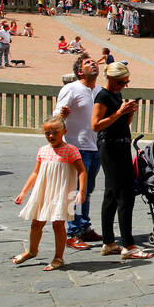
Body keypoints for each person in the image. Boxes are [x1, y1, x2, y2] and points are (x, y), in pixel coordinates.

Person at [92, 62, 152, 260]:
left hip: (121, 145)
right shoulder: (102, 96)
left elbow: (123, 123)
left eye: (126, 82)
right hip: (110, 147)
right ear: (109, 78)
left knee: (111, 195)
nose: (123, 86)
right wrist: (119, 112)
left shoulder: (117, 95)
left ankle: (109, 243)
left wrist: (130, 111)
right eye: (120, 82)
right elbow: (96, 125)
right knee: (125, 195)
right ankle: (128, 245)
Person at [12, 116, 87, 271]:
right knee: (36, 222)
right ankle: (32, 251)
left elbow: (82, 171)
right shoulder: (43, 150)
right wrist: (23, 192)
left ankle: (58, 257)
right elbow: (35, 173)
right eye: (47, 133)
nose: (51, 136)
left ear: (64, 132)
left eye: (55, 132)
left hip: (62, 192)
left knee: (58, 223)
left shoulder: (71, 150)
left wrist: (81, 191)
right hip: (44, 191)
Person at [57, 55, 103, 247]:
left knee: (87, 190)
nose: (93, 64)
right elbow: (56, 114)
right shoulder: (71, 89)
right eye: (87, 63)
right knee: (73, 192)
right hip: (77, 148)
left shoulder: (100, 91)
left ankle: (84, 227)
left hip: (95, 147)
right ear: (79, 71)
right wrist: (62, 114)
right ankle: (72, 233)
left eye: (94, 62)